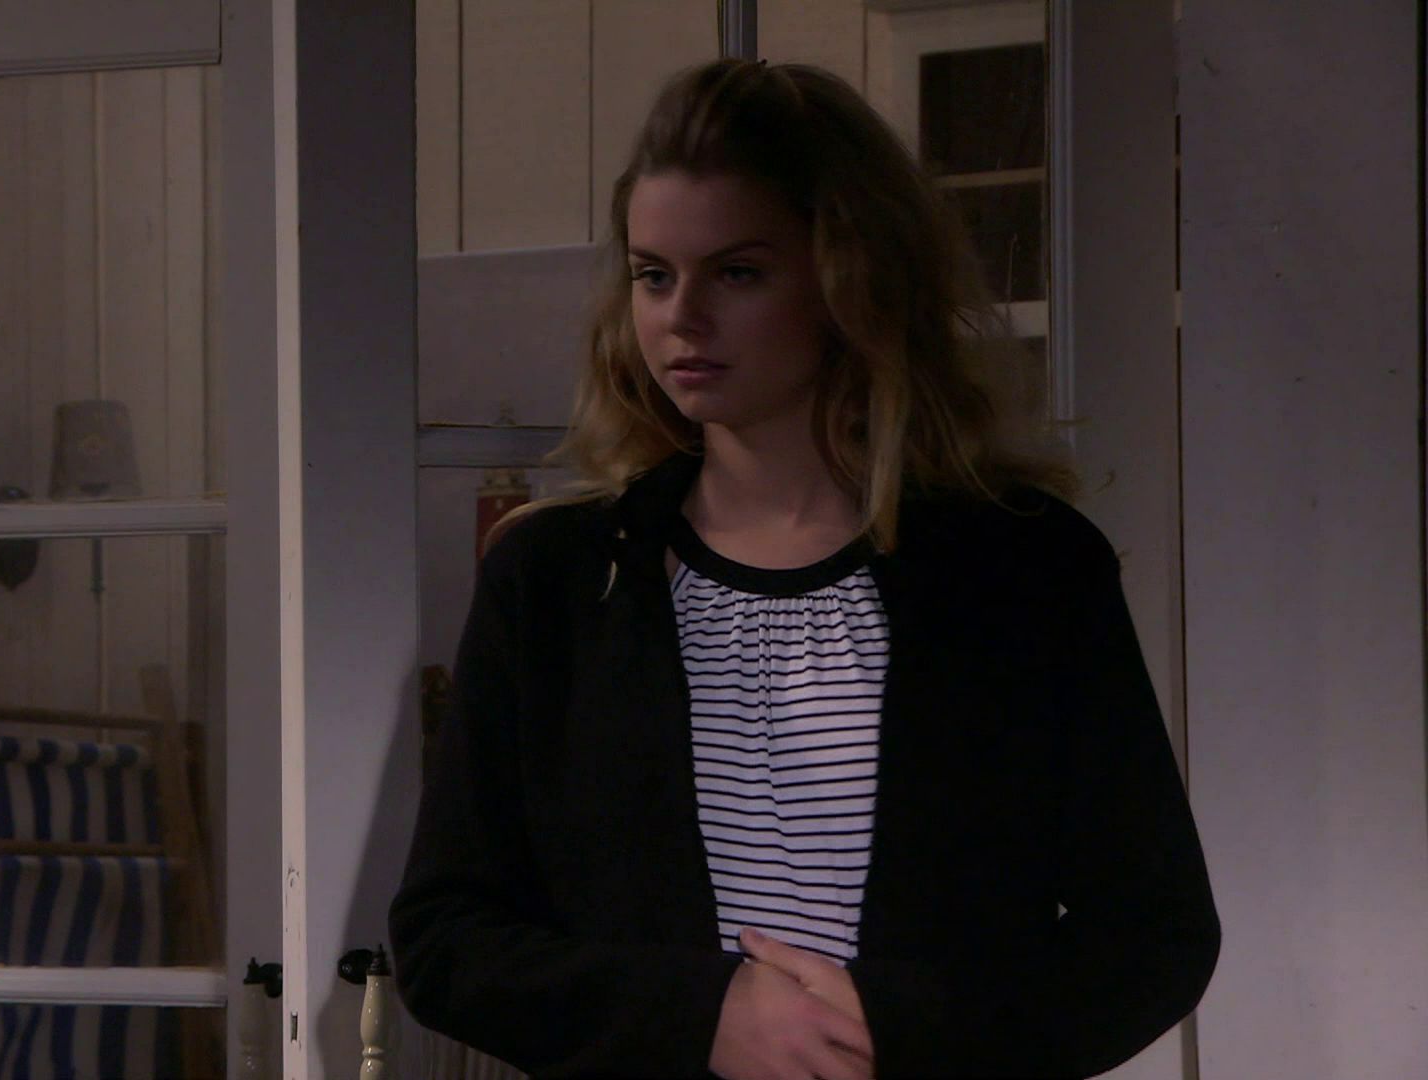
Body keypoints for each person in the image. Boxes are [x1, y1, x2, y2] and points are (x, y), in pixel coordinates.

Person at [388, 60, 1219, 1080]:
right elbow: (447, 937)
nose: (682, 317)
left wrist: (897, 1024)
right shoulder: (557, 577)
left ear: (848, 281)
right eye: (654, 275)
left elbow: (1151, 936)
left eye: (737, 273)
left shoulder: (1024, 569)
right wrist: (700, 1017)